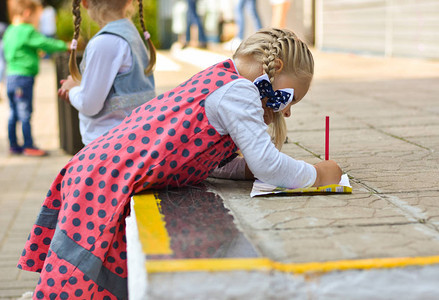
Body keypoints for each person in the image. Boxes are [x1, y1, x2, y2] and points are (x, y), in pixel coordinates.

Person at [18, 28, 342, 299]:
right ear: (276, 67)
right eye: (290, 98)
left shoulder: (221, 77)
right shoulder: (240, 91)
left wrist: (242, 169)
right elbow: (269, 167)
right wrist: (319, 174)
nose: (286, 112)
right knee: (78, 271)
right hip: (104, 178)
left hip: (101, 170)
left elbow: (196, 152)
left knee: (92, 266)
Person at [57, 0, 157, 146]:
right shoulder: (130, 34)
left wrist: (72, 89)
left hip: (108, 146)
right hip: (133, 141)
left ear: (85, 3)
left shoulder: (105, 42)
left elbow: (89, 104)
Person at [3, 0, 68, 156]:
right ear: (27, 13)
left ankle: (13, 144)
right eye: (36, 19)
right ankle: (29, 145)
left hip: (10, 77)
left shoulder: (9, 30)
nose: (36, 23)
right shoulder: (26, 30)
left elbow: (13, 51)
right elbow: (45, 43)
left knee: (13, 112)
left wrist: (31, 53)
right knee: (25, 112)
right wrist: (64, 46)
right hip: (23, 78)